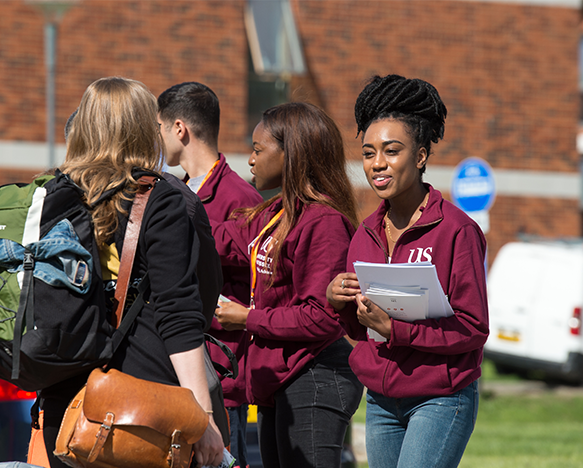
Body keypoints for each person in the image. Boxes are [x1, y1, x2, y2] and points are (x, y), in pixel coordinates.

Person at [40, 76, 224, 468]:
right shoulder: (165, 199)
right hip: (146, 408)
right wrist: (203, 417)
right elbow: (183, 313)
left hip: (68, 405)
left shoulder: (53, 196)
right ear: (144, 128)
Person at [326, 74, 488, 468]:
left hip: (440, 399)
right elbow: (360, 329)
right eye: (368, 153)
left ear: (419, 156)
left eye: (391, 151)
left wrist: (395, 329)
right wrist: (339, 303)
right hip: (381, 401)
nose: (377, 164)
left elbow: (473, 328)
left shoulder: (457, 231)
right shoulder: (364, 234)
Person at [212, 102, 364, 468]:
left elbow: (322, 317)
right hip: (279, 377)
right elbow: (217, 239)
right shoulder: (275, 213)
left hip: (314, 375)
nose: (249, 159)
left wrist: (247, 318)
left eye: (258, 149)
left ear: (290, 154)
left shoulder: (323, 221)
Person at [158, 82, 263, 468]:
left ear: (179, 129)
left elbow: (262, 287)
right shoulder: (172, 194)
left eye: (160, 127)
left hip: (222, 380)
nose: (159, 138)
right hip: (176, 378)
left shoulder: (242, 199)